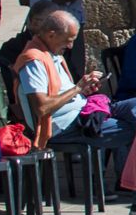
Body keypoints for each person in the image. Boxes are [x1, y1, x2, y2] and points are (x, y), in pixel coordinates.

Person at [11, 9, 89, 143]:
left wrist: (84, 89)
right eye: (68, 40)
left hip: (78, 114)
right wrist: (78, 89)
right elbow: (42, 108)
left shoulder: (53, 55)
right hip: (64, 125)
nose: (70, 46)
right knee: (131, 119)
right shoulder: (34, 62)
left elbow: (63, 91)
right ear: (51, 35)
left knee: (134, 106)